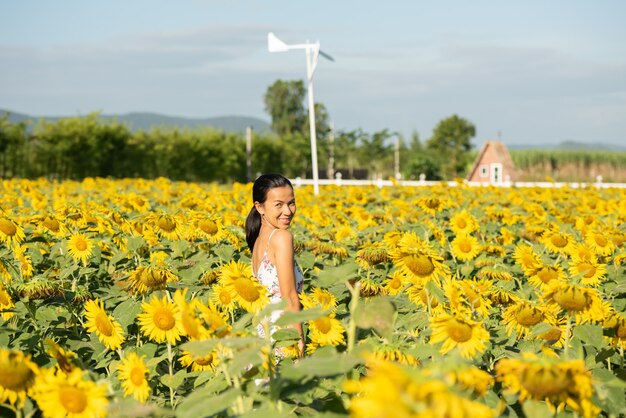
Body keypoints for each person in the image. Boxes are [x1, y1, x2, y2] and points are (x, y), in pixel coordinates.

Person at [245, 173, 305, 358]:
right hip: (283, 338)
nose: (287, 211)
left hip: (262, 340)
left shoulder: (258, 240)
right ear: (259, 207)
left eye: (291, 203)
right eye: (278, 204)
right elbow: (289, 297)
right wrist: (299, 342)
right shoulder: (281, 237)